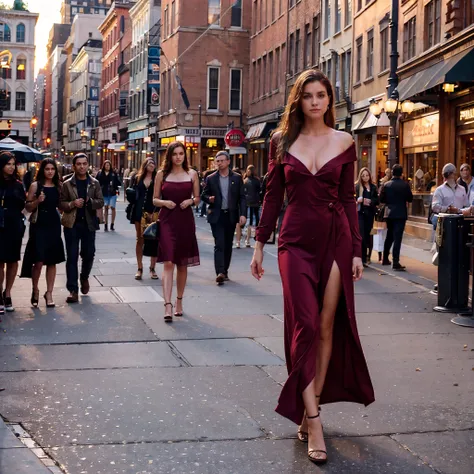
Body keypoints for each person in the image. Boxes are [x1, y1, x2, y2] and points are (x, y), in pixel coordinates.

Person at [250, 69, 374, 466]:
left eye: (322, 95)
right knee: (304, 323)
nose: (315, 101)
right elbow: (272, 197)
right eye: (308, 95)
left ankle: (311, 404)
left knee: (325, 325)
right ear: (298, 101)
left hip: (336, 241)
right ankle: (315, 422)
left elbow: (349, 199)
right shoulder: (281, 140)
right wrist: (258, 245)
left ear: (329, 100)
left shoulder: (345, 141)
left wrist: (356, 250)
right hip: (295, 242)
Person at [153, 142, 200, 322]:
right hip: (166, 219)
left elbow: (197, 198)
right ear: (170, 156)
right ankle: (167, 304)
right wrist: (165, 203)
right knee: (168, 262)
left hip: (185, 220)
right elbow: (155, 199)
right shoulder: (162, 174)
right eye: (175, 154)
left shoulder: (192, 174)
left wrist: (190, 202)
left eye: (181, 154)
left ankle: (179, 301)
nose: (178, 157)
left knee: (182, 263)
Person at [21, 159, 66, 308]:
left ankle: (49, 293)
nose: (50, 171)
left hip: (53, 223)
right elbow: (27, 207)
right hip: (39, 224)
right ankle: (35, 290)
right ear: (42, 170)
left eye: (53, 169)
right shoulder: (36, 185)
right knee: (39, 261)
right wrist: (37, 201)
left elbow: (61, 204)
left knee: (52, 260)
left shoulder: (59, 186)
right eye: (47, 169)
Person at [60, 153, 104, 303]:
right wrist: (72, 204)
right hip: (72, 224)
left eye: (84, 163)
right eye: (79, 164)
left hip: (89, 224)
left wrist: (90, 201)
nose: (82, 166)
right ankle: (73, 289)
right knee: (72, 257)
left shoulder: (94, 183)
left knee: (89, 254)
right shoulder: (66, 183)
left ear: (88, 165)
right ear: (74, 166)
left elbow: (101, 201)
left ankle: (84, 277)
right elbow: (61, 204)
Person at [201, 151, 247, 284]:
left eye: (222, 161)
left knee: (228, 244)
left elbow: (242, 198)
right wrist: (209, 199)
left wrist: (243, 214)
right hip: (217, 215)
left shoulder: (237, 178)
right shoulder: (211, 178)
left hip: (231, 215)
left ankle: (225, 271)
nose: (219, 163)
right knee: (219, 243)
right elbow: (204, 195)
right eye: (217, 161)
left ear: (228, 162)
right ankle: (220, 272)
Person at [0, 152, 26, 314]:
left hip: (14, 225)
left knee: (12, 260)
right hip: (0, 225)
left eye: (13, 164)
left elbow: (23, 204)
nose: (11, 167)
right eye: (8, 164)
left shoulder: (17, 184)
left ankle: (7, 292)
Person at [128, 158, 159, 280]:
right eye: (149, 163)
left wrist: (156, 210)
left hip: (153, 211)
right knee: (140, 239)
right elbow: (132, 192)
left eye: (153, 163)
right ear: (145, 165)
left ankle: (152, 268)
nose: (152, 165)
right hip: (139, 212)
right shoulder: (137, 178)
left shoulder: (157, 178)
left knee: (154, 240)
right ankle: (139, 268)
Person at [380, 164, 413, 271]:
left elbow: (382, 199)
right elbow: (410, 198)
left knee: (389, 235)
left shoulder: (386, 185)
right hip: (400, 213)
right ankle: (395, 261)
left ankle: (385, 258)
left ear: (392, 173)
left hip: (389, 213)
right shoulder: (405, 185)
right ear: (401, 173)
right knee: (397, 238)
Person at [355, 167, 379, 266]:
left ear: (369, 175)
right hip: (360, 213)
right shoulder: (358, 187)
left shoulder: (373, 187)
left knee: (367, 235)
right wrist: (359, 201)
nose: (365, 177)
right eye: (363, 175)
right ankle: (362, 258)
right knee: (362, 236)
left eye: (367, 175)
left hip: (370, 214)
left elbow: (377, 201)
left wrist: (368, 201)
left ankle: (365, 258)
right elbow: (353, 200)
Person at [96, 160, 121, 231]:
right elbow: (97, 182)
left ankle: (112, 224)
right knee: (106, 207)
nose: (107, 166)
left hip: (112, 193)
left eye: (109, 165)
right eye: (106, 165)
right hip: (104, 193)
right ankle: (106, 224)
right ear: (104, 166)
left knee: (113, 207)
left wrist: (116, 186)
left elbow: (117, 182)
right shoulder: (100, 173)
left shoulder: (113, 173)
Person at [243, 165, 261, 248]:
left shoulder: (245, 180)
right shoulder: (257, 180)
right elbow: (259, 191)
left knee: (249, 219)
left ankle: (248, 237)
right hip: (255, 201)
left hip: (248, 202)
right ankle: (255, 234)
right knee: (255, 218)